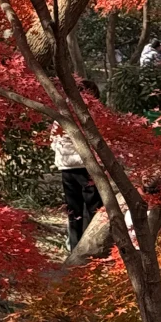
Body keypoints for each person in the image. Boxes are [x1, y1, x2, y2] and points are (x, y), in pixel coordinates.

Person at [51, 80, 103, 252]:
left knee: (74, 210)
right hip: (86, 165)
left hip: (66, 167)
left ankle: (74, 246)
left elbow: (53, 140)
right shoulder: (88, 112)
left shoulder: (62, 112)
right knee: (93, 208)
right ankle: (88, 248)